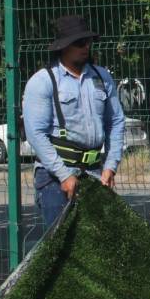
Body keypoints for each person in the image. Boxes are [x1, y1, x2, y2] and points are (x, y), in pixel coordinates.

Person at [23, 15, 125, 228]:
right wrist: (64, 175)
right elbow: (36, 134)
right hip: (54, 177)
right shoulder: (43, 81)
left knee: (97, 244)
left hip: (94, 173)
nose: (85, 47)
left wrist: (110, 166)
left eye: (88, 42)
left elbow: (115, 121)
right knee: (62, 248)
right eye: (79, 43)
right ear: (64, 47)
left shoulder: (102, 77)